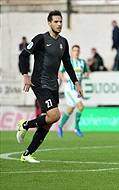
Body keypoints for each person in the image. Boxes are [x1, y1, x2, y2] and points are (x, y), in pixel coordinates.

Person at [17, 10, 84, 163]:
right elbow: (23, 55)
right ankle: (25, 125)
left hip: (54, 85)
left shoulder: (63, 42)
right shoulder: (41, 39)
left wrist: (76, 82)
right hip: (39, 82)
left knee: (48, 121)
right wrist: (25, 75)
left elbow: (67, 63)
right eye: (56, 21)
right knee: (55, 115)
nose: (59, 24)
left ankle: (27, 154)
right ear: (49, 23)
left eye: (60, 21)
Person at [58, 45, 89, 138]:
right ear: (72, 52)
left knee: (70, 110)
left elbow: (86, 72)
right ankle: (76, 127)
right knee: (80, 106)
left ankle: (60, 127)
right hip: (69, 89)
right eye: (75, 50)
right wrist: (62, 77)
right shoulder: (69, 62)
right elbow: (60, 71)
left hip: (77, 89)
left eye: (78, 50)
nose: (76, 52)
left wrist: (87, 74)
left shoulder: (82, 63)